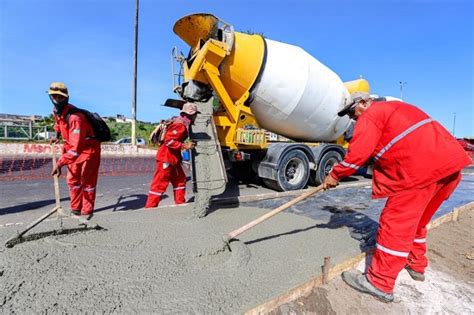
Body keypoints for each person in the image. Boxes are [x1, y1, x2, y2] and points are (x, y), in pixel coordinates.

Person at [323, 91, 471, 302]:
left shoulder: (371, 115)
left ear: (365, 102)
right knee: (417, 222)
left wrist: (335, 174)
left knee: (394, 224)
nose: (353, 117)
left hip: (419, 172)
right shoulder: (398, 109)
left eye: (352, 111)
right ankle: (416, 264)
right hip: (449, 167)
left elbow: (357, 156)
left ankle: (380, 283)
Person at [49, 82, 101, 219]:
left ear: (66, 97)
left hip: (88, 150)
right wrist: (56, 136)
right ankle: (75, 208)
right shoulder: (56, 111)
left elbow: (76, 149)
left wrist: (60, 163)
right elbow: (58, 124)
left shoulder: (75, 118)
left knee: (87, 182)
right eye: (54, 96)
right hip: (72, 149)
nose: (57, 100)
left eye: (60, 97)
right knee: (72, 180)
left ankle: (86, 211)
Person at [145, 102, 199, 208]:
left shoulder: (181, 122)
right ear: (190, 115)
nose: (196, 116)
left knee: (180, 180)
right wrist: (184, 145)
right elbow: (168, 141)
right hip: (166, 158)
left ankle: (180, 202)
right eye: (195, 114)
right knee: (159, 182)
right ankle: (150, 207)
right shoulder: (180, 125)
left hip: (173, 159)